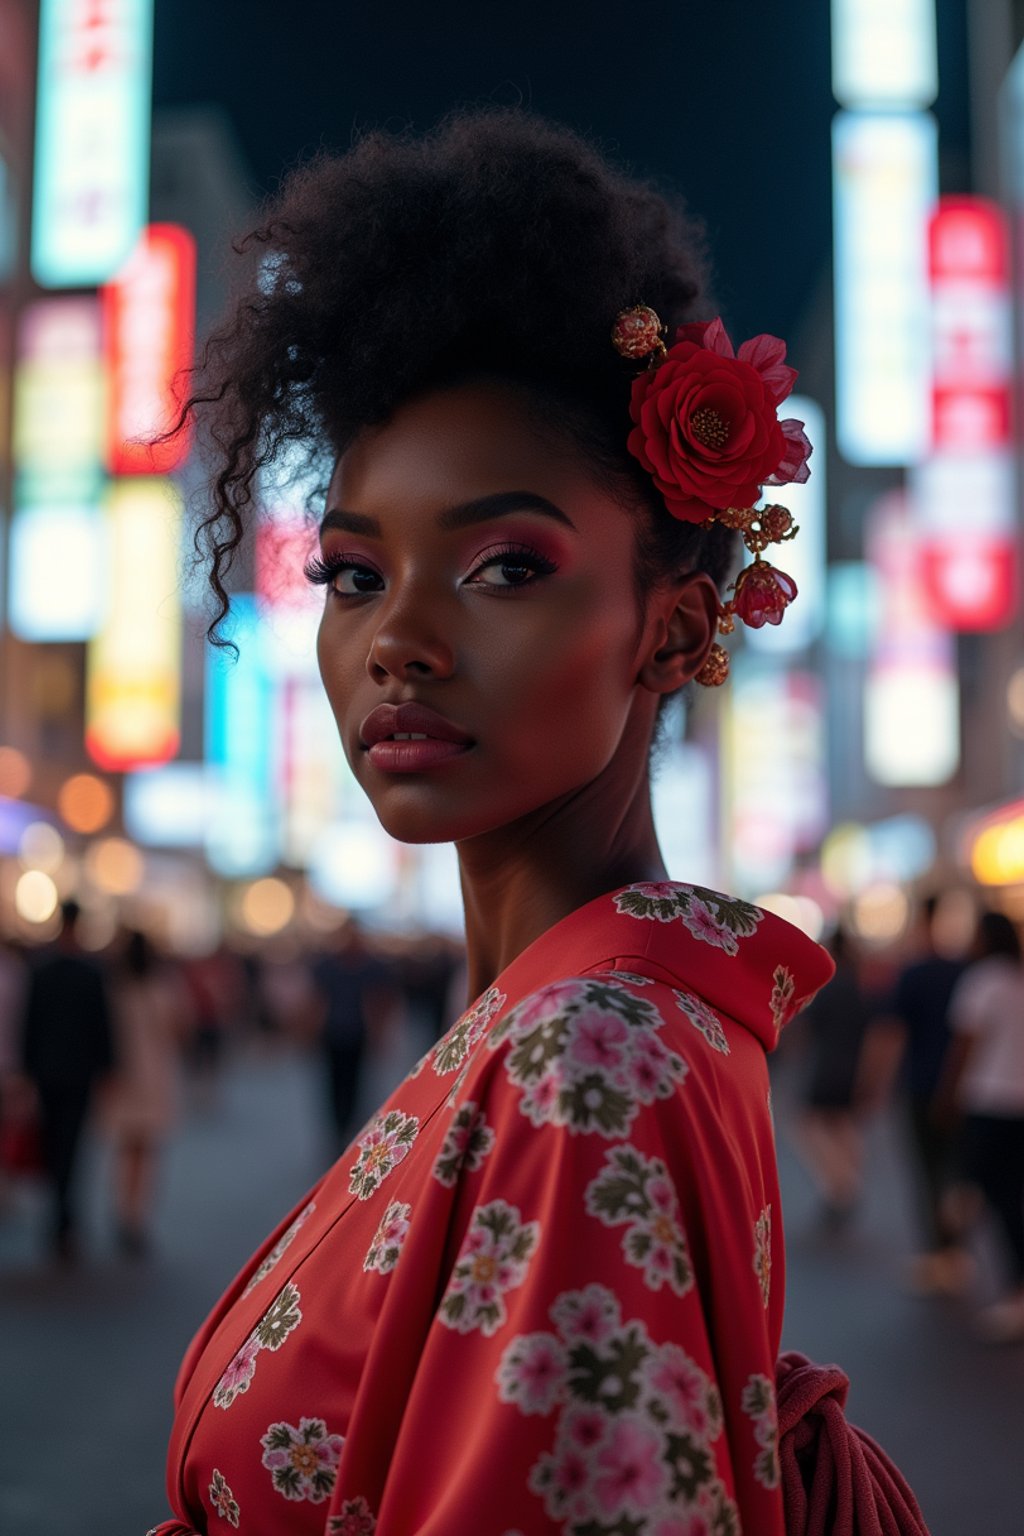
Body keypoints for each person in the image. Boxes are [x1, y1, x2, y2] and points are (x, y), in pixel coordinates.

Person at [148, 111, 927, 1535]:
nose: (399, 641)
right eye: (353, 572)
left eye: (506, 565)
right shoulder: (577, 1015)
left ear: (672, 624)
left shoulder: (593, 1054)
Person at [868, 894, 968, 1295]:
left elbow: (890, 1035)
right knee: (957, 1166)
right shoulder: (966, 971)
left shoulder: (913, 974)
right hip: (963, 1087)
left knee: (928, 1171)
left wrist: (874, 1083)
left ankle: (940, 1254)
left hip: (920, 1084)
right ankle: (956, 1244)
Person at [933, 911, 1024, 1342]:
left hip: (988, 1101)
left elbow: (965, 1043)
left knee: (998, 1195)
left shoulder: (983, 980)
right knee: (1008, 1194)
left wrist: (946, 1095)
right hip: (1016, 1103)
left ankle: (1000, 1283)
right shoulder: (1016, 979)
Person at [19, 899, 115, 1261]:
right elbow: (102, 1026)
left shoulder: (41, 969)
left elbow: (29, 1025)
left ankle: (58, 1217)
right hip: (79, 1073)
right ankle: (65, 1219)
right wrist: (107, 1068)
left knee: (53, 1142)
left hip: (47, 1072)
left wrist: (27, 1071)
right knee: (73, 1144)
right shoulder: (91, 972)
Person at [102, 929, 187, 1257]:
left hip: (123, 1076)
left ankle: (123, 1208)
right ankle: (137, 1214)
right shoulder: (164, 987)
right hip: (156, 1075)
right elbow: (180, 1030)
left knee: (125, 1148)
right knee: (147, 1150)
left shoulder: (115, 989)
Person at [789, 925, 869, 1229]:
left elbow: (804, 1028)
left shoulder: (828, 986)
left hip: (826, 1067)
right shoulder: (858, 986)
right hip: (851, 1066)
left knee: (810, 1125)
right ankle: (844, 1185)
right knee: (841, 1125)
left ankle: (840, 1186)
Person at [309, 918, 397, 1149]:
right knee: (334, 1085)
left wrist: (380, 1034)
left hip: (359, 1035)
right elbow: (317, 1000)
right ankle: (338, 1130)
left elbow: (383, 1002)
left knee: (356, 1085)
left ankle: (351, 1130)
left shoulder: (373, 967)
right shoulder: (327, 966)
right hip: (332, 1034)